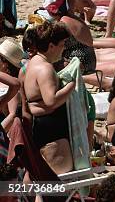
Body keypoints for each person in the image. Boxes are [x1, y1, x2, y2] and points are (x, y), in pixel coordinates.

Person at [23, 21, 74, 174]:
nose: (64, 48)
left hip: (44, 126)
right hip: (52, 131)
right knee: (59, 179)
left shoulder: (33, 62)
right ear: (51, 46)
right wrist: (71, 86)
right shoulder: (45, 68)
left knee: (46, 181)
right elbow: (51, 100)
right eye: (62, 44)